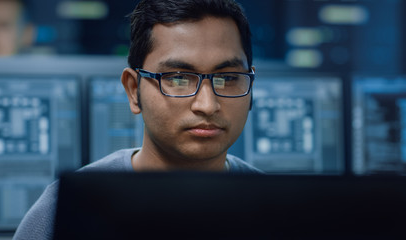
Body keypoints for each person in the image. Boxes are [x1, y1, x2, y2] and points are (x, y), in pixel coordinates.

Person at [13, 0, 261, 239]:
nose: (207, 105)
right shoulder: (63, 210)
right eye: (177, 78)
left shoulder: (275, 204)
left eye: (228, 79)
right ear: (133, 90)